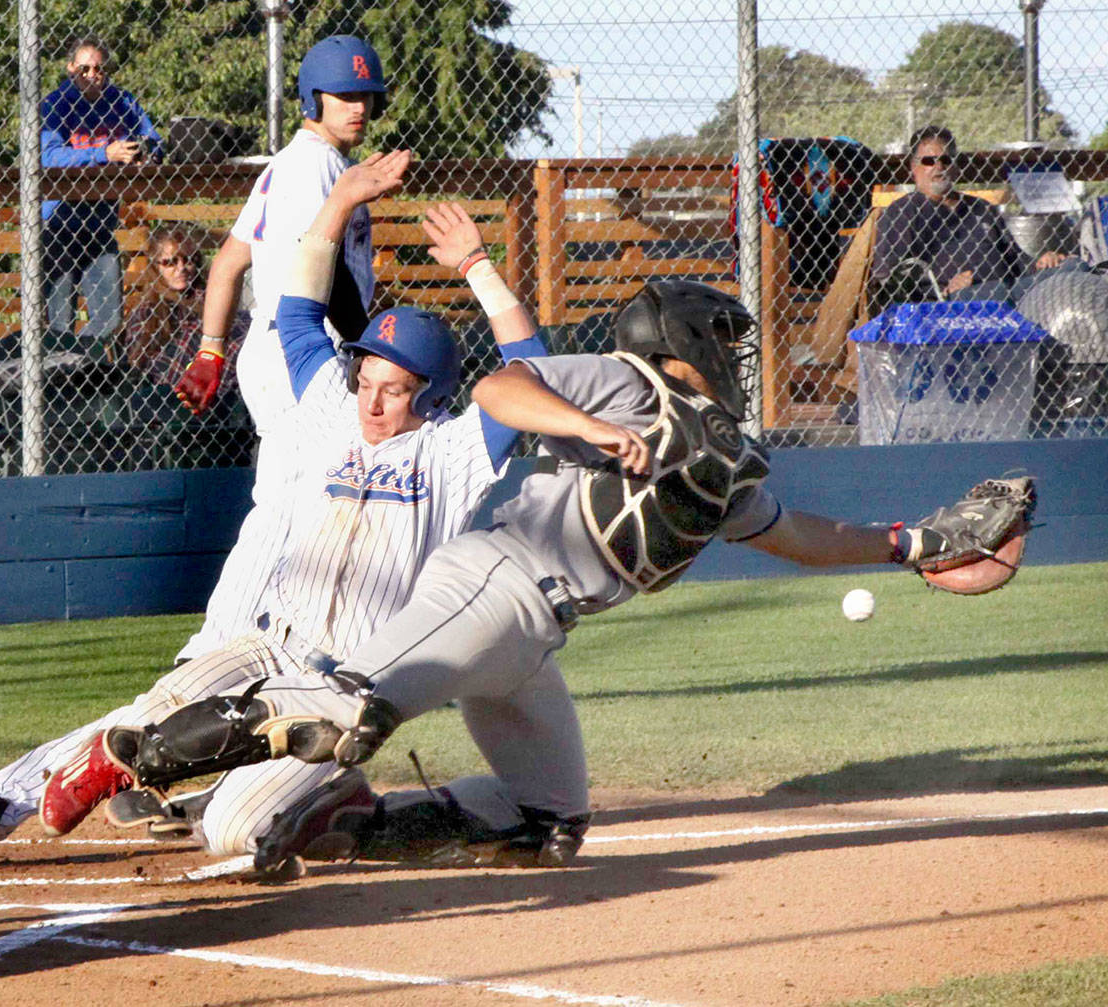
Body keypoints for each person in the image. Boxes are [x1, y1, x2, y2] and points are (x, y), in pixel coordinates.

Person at [98, 276, 1010, 874]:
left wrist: (908, 545)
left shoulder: (717, 457)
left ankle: (349, 823)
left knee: (548, 822)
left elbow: (798, 533)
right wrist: (590, 427)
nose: (729, 359)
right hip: (488, 586)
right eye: (719, 341)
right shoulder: (628, 383)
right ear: (682, 338)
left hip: (534, 637)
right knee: (346, 706)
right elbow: (501, 387)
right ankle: (154, 758)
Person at [0, 154, 552, 867]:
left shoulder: (454, 451)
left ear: (436, 395)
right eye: (366, 378)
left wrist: (477, 264)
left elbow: (530, 368)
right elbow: (296, 307)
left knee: (233, 831)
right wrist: (342, 197)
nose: (372, 400)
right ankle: (38, 791)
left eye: (396, 388)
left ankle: (332, 799)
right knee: (159, 708)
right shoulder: (332, 414)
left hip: (347, 683)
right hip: (272, 641)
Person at [169, 35, 389, 668]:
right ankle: (210, 650)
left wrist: (211, 352)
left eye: (365, 96)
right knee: (288, 501)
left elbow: (230, 261)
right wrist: (370, 341)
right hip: (303, 347)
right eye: (343, 95)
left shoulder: (284, 164)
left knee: (315, 498)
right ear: (311, 98)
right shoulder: (316, 164)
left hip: (283, 348)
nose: (357, 107)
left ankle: (278, 644)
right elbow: (313, 267)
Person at [41, 35, 161, 355]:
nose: (92, 75)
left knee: (109, 319)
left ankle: (85, 365)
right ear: (70, 69)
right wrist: (104, 153)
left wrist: (145, 153)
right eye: (85, 69)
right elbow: (49, 157)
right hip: (60, 224)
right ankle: (62, 377)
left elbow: (154, 140)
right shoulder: (55, 104)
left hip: (100, 223)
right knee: (59, 322)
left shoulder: (121, 101)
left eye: (99, 69)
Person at [867, 125, 1065, 312]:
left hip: (1009, 293)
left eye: (946, 160)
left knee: (1072, 270)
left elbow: (1016, 261)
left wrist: (1041, 262)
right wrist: (943, 292)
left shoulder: (981, 209)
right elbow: (889, 285)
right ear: (913, 166)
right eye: (929, 161)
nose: (939, 166)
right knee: (995, 293)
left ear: (956, 166)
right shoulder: (903, 213)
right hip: (954, 306)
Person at [118, 226, 242, 396]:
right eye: (170, 262)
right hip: (166, 393)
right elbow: (140, 363)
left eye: (188, 260)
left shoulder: (212, 299)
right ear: (155, 266)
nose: (181, 268)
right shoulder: (147, 311)